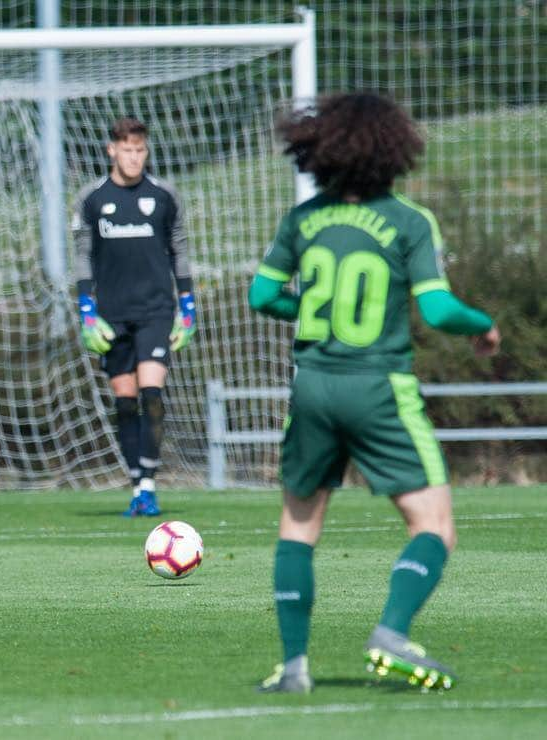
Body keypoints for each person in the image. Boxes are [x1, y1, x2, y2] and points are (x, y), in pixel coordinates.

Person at [249, 93, 501, 693]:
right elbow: (437, 309)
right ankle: (390, 631)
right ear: (392, 150)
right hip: (378, 386)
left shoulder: (303, 220)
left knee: (298, 525)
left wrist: (311, 310)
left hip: (311, 386)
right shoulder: (410, 221)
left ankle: (293, 668)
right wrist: (482, 325)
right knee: (434, 525)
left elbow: (262, 297)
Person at [72, 116, 197, 517]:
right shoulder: (92, 198)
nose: (134, 157)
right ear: (112, 150)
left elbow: (179, 248)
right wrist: (86, 308)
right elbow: (82, 256)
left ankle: (149, 483)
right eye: (127, 149)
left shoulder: (163, 195)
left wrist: (188, 304)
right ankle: (136, 483)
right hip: (112, 314)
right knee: (125, 402)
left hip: (157, 310)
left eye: (140, 149)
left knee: (152, 393)